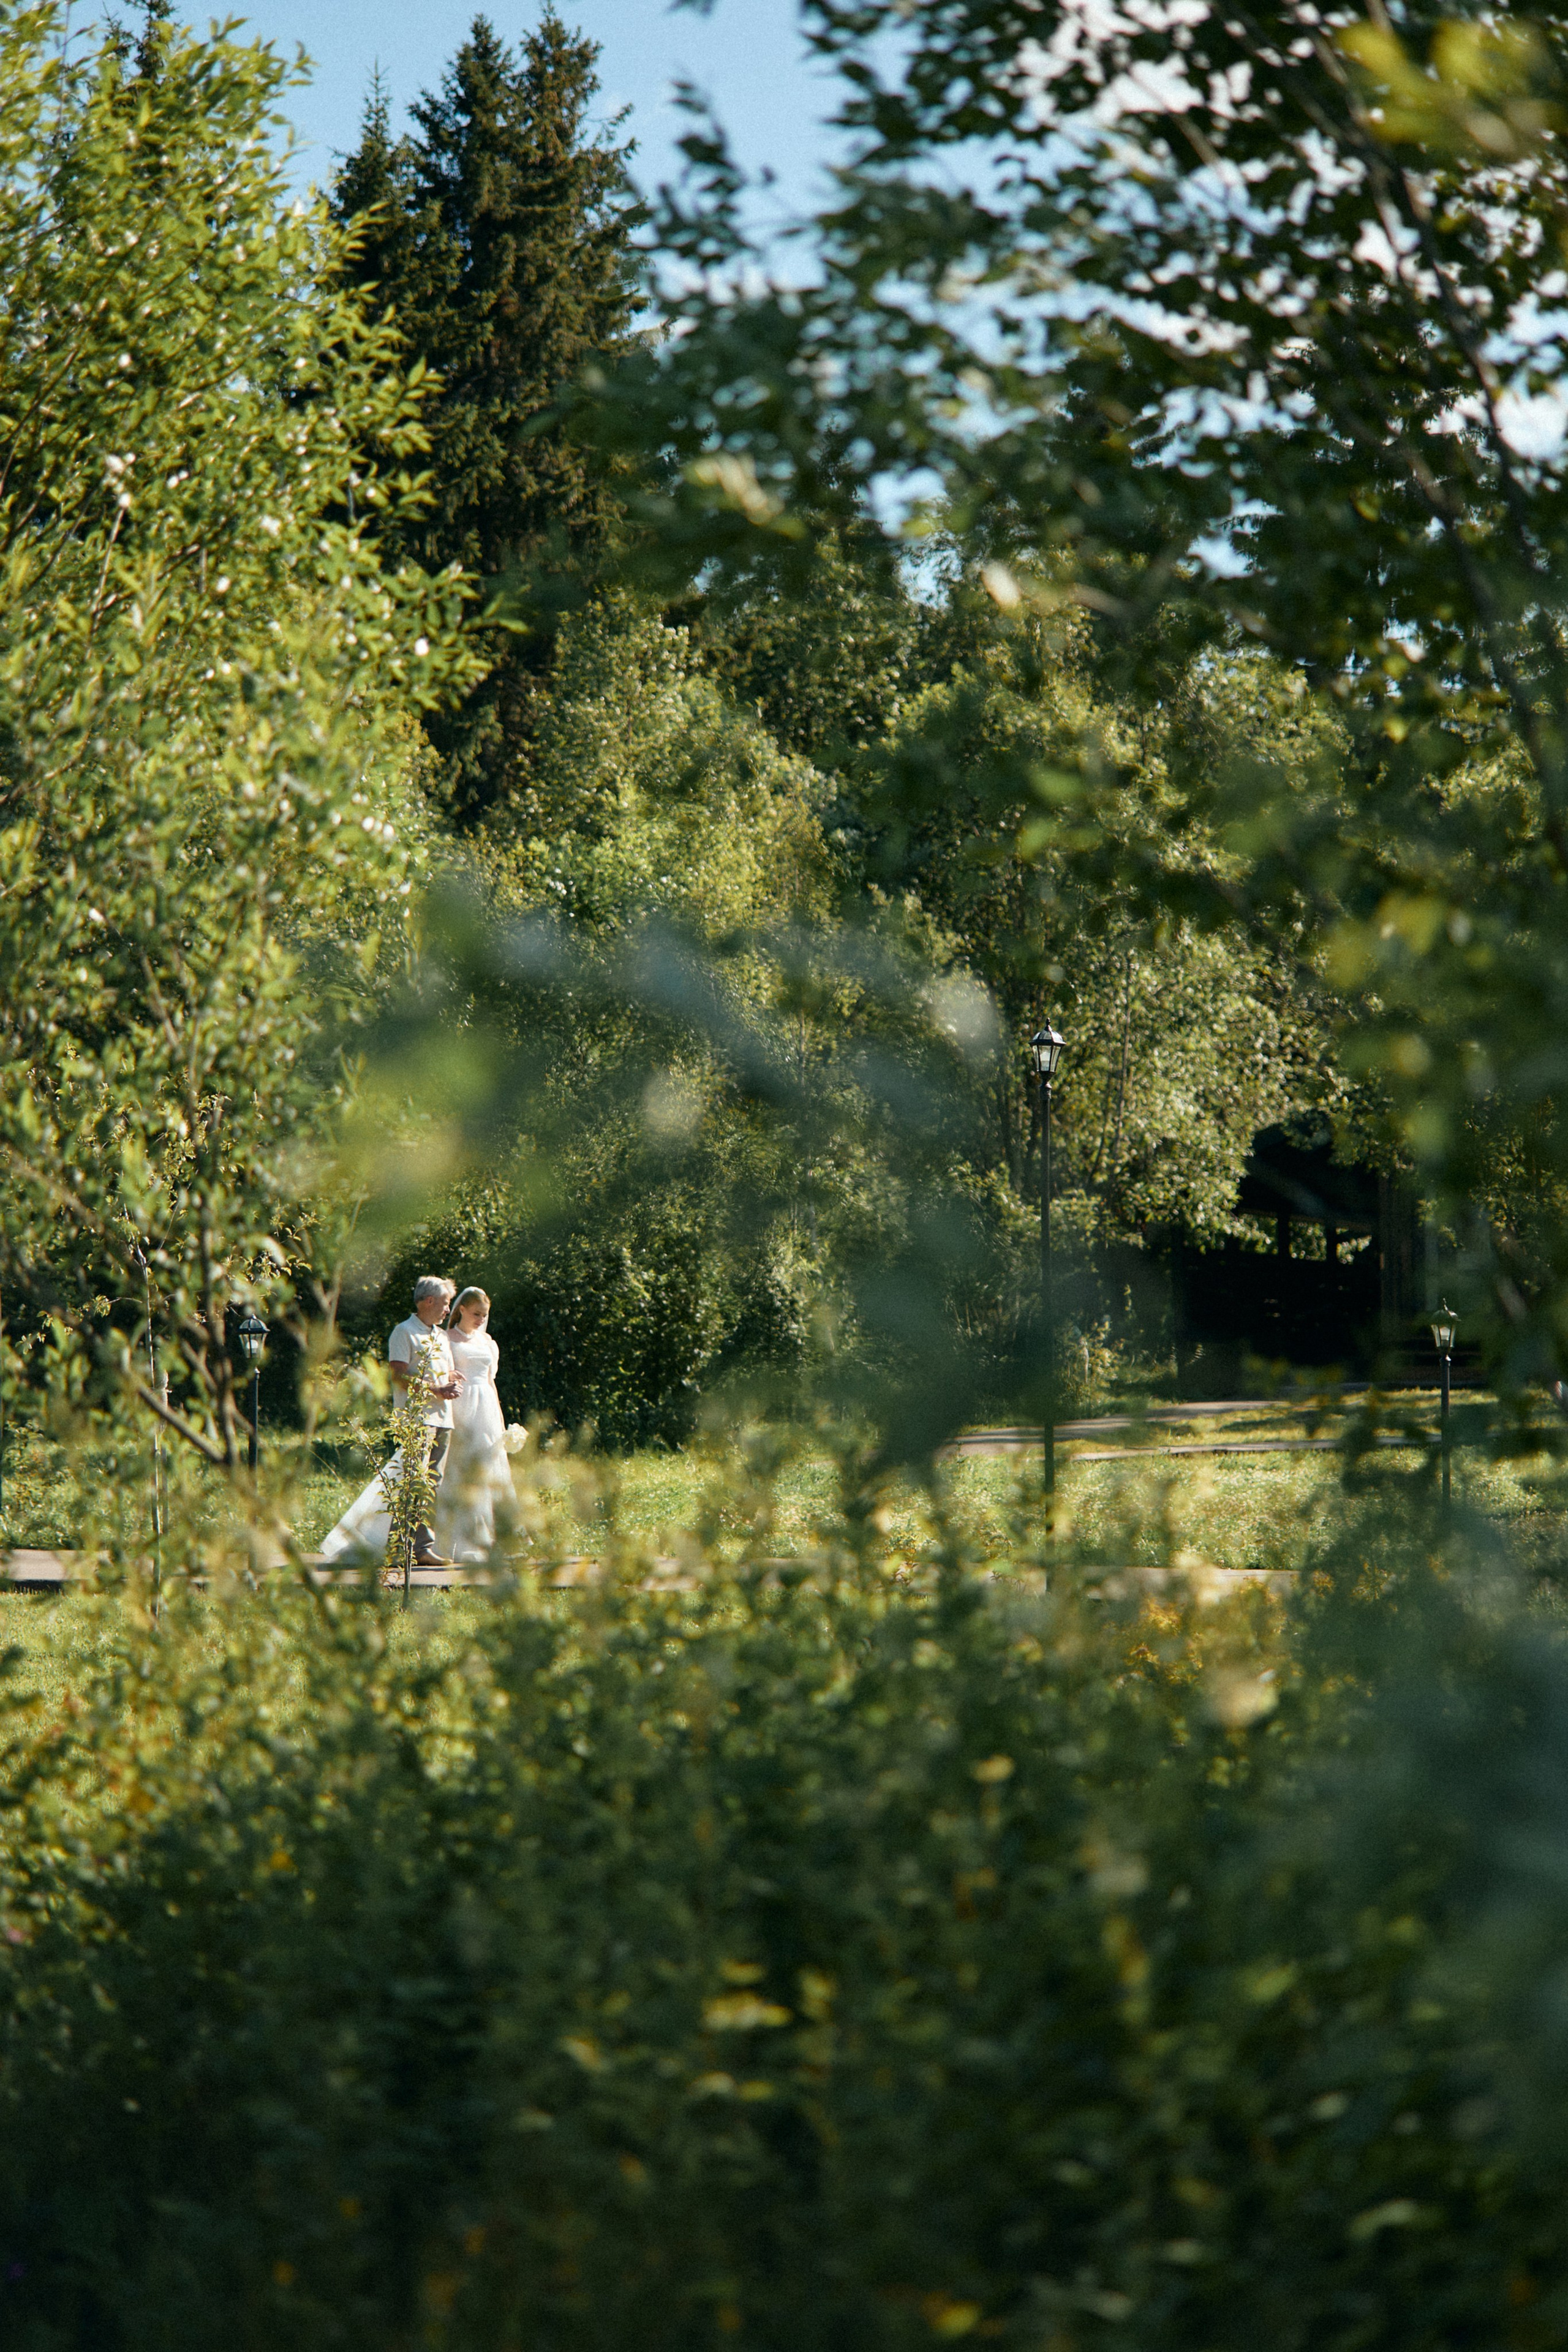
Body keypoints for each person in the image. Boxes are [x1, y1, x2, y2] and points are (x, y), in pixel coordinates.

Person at [319, 1275, 462, 1567]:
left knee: (431, 1485)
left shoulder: (441, 1336)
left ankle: (423, 1548)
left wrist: (452, 1379)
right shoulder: (404, 1331)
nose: (449, 1310)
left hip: (443, 1419)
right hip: (416, 1420)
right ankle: (399, 1548)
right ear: (429, 1301)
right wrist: (435, 1389)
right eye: (446, 1304)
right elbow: (397, 1375)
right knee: (410, 1483)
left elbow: (443, 1372)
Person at [434, 1287, 518, 1562]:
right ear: (461, 1310)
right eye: (476, 1314)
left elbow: (491, 1382)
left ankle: (493, 1536)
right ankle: (456, 1538)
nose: (481, 1319)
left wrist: (502, 1422)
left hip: (487, 1409)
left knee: (490, 1465)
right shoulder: (447, 1339)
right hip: (461, 1405)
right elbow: (438, 1370)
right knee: (461, 1464)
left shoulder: (488, 1342)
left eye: (485, 1315)